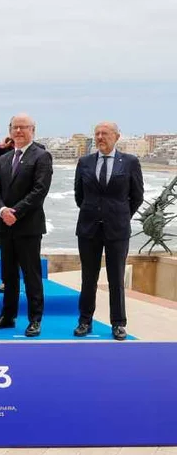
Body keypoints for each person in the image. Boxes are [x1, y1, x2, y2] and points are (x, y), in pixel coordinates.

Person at [74, 122, 144, 340]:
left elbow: (137, 196)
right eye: (97, 134)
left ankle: (118, 323)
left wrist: (120, 215)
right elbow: (79, 195)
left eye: (105, 133)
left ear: (117, 136)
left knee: (116, 278)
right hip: (89, 228)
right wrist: (94, 212)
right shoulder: (85, 162)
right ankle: (85, 321)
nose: (100, 137)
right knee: (88, 278)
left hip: (117, 229)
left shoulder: (130, 162)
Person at [0, 114, 53, 337]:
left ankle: (35, 319)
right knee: (9, 274)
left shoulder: (41, 156)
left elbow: (39, 190)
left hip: (28, 226)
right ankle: (8, 316)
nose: (19, 131)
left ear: (33, 130)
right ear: (10, 130)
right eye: (15, 127)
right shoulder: (5, 158)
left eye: (24, 128)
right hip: (5, 225)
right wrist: (3, 210)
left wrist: (16, 211)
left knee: (31, 275)